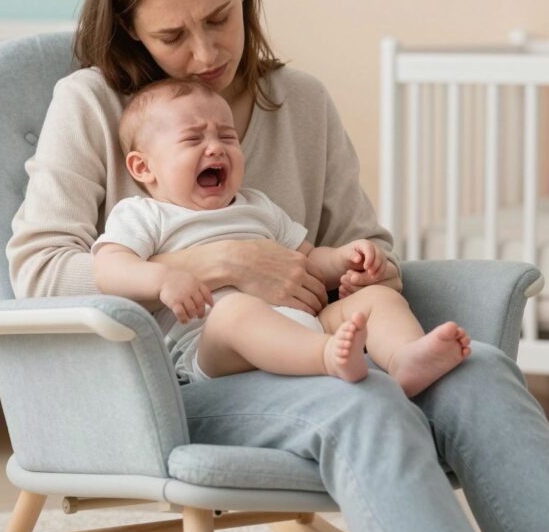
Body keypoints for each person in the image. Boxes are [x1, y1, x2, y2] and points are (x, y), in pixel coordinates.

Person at [7, 0, 549, 532]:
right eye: (172, 37)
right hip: (177, 380)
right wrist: (216, 262)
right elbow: (38, 272)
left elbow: (361, 242)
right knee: (357, 402)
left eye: (219, 19)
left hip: (326, 342)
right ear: (130, 31)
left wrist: (363, 270)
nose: (206, 53)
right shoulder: (91, 104)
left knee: (477, 370)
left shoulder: (299, 101)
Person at [92, 78, 473, 394]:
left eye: (228, 137)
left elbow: (306, 259)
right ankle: (329, 357)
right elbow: (108, 268)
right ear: (143, 167)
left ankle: (404, 358)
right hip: (212, 349)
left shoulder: (257, 205)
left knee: (376, 297)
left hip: (302, 324)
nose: (216, 148)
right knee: (233, 312)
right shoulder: (143, 214)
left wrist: (345, 259)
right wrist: (163, 279)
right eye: (193, 140)